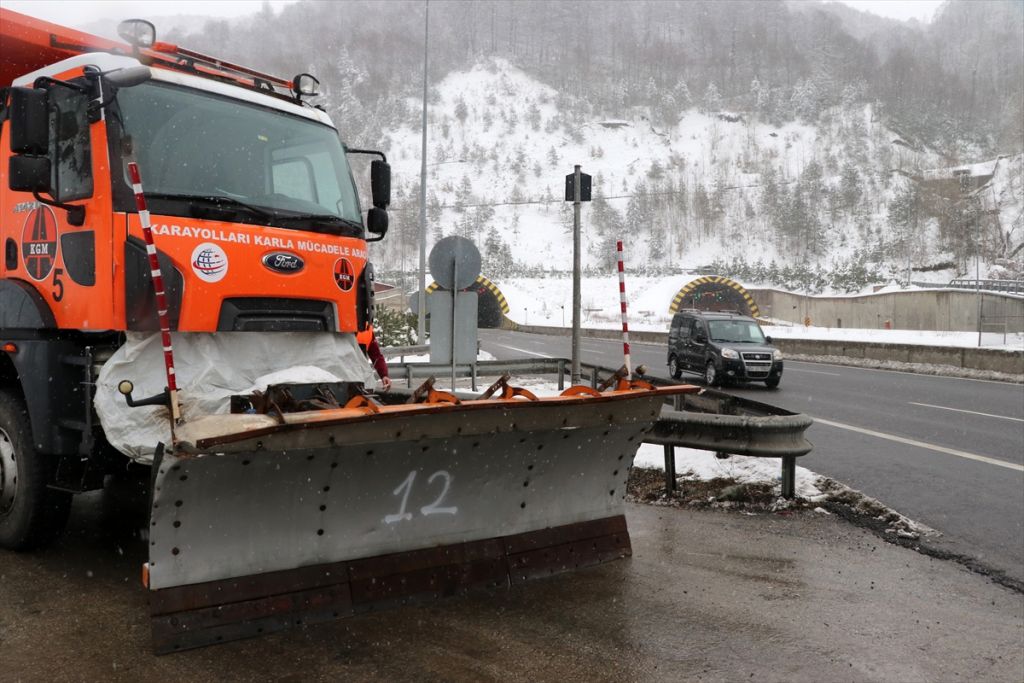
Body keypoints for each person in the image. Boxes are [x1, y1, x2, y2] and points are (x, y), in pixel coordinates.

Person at [357, 325, 391, 391]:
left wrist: (384, 375)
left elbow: (376, 355)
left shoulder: (367, 330)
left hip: (358, 380)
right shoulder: (342, 324)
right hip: (341, 379)